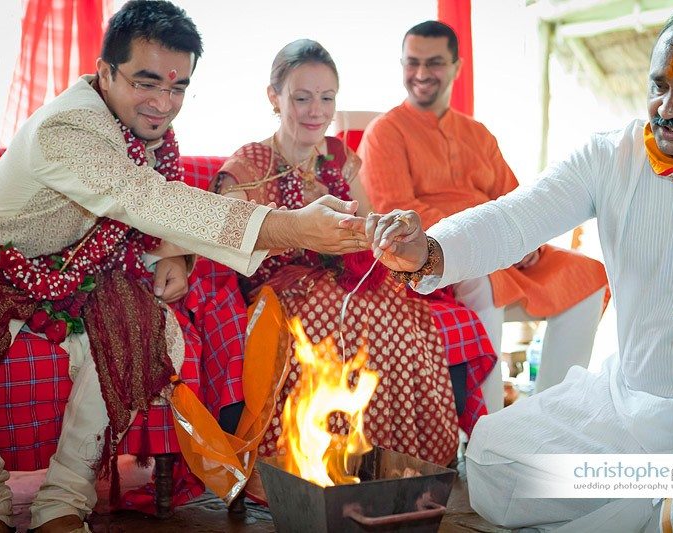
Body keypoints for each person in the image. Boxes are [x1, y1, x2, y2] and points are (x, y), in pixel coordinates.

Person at [0, 2, 368, 532]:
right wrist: (293, 226)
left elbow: (147, 212)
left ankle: (62, 501)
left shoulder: (144, 134)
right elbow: (141, 198)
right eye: (147, 83)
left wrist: (174, 253)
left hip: (76, 273)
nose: (163, 103)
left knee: (151, 328)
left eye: (178, 88)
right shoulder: (69, 129)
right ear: (105, 72)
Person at [367, 5, 673, 531]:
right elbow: (514, 217)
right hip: (624, 406)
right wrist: (429, 249)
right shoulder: (613, 157)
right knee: (492, 463)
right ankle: (667, 494)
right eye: (658, 85)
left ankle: (668, 497)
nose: (667, 107)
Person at [212, 39, 497, 472]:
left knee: (407, 316)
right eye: (302, 97)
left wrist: (388, 233)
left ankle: (397, 463)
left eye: (327, 99)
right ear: (274, 97)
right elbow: (228, 245)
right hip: (278, 290)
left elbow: (369, 223)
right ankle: (317, 464)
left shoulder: (340, 157)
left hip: (343, 281)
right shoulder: (249, 164)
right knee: (331, 311)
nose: (316, 111)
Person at [358, 21, 609, 411]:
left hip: (505, 249)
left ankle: (549, 414)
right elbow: (399, 213)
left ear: (457, 67)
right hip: (437, 257)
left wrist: (528, 239)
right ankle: (487, 429)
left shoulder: (478, 134)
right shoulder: (385, 132)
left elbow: (518, 199)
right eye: (413, 63)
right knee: (480, 269)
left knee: (589, 274)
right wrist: (490, 240)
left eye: (435, 63)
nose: (422, 74)